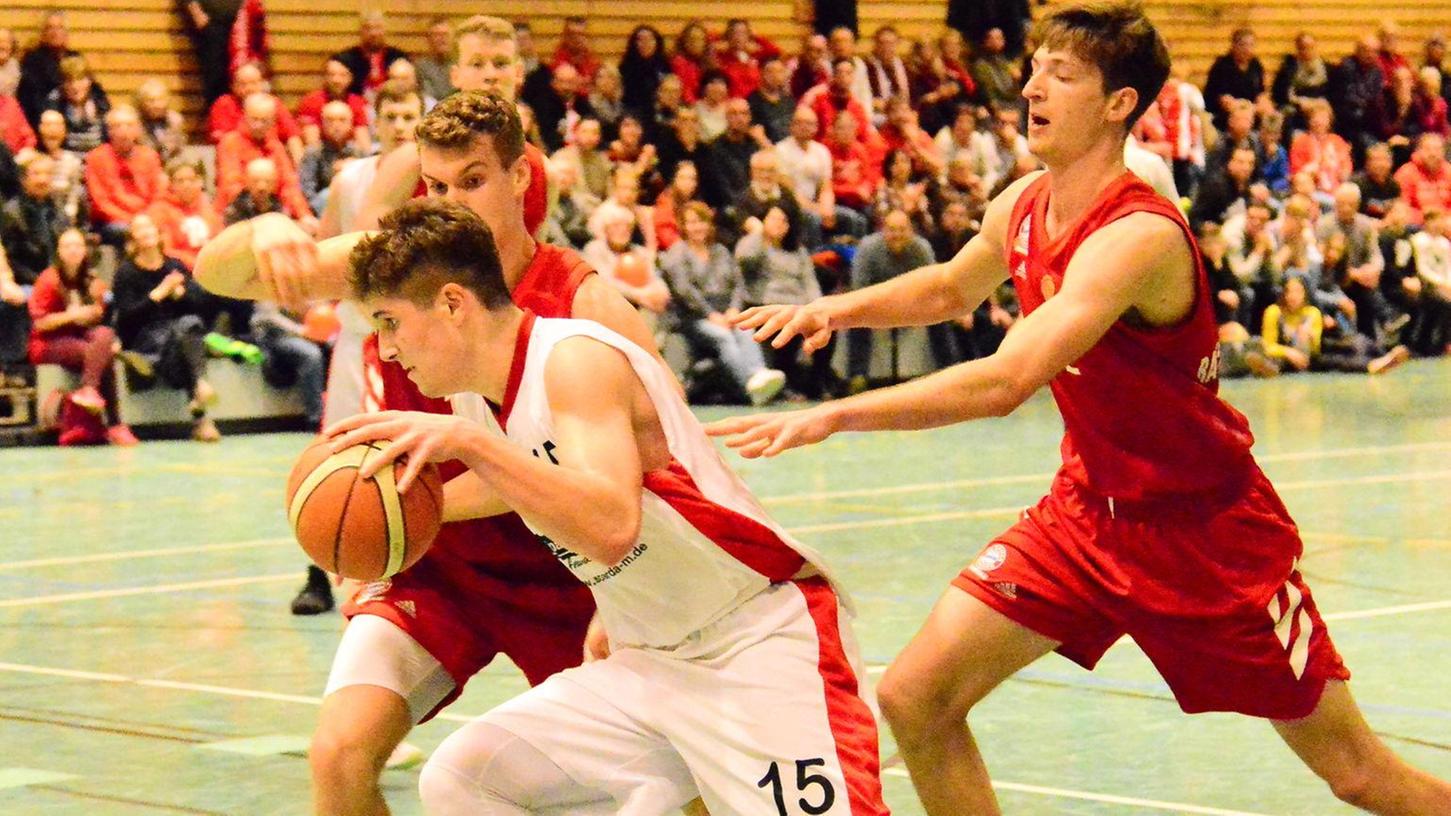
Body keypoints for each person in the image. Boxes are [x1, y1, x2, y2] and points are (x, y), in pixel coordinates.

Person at [708, 4, 1451, 814]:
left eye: (1060, 74)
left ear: (1117, 103)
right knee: (916, 696)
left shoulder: (1136, 235)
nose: (1032, 85)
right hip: (1084, 518)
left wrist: (834, 416)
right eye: (1033, 68)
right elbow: (953, 285)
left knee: (1358, 777)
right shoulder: (1026, 199)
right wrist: (832, 311)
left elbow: (1004, 381)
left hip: (1204, 539)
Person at [194, 90, 674, 816]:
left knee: (682, 779)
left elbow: (657, 458)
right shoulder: (384, 264)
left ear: (520, 178)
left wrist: (415, 506)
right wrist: (259, 229)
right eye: (437, 185)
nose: (452, 202)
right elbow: (215, 272)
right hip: (441, 566)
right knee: (338, 756)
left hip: (569, 575)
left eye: (472, 181)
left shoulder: (585, 304)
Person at [325, 197, 888, 815]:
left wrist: (474, 447)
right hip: (648, 663)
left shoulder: (574, 359)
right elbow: (523, 478)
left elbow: (613, 525)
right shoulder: (477, 398)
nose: (385, 347)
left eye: (390, 321)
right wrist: (400, 512)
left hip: (753, 643)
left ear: (453, 303)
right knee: (463, 777)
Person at [111, 216, 221, 442]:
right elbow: (126, 319)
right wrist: (158, 294)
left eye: (149, 226)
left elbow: (200, 307)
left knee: (189, 326)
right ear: (132, 240)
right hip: (146, 337)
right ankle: (201, 413)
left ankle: (199, 386)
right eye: (139, 229)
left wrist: (182, 296)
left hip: (179, 336)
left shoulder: (175, 266)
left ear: (159, 233)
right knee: (189, 337)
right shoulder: (126, 273)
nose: (146, 232)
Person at [26, 227, 136, 446]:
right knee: (98, 356)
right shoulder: (48, 279)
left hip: (80, 337)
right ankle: (115, 423)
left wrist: (93, 313)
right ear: (59, 251)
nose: (73, 250)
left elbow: (98, 317)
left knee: (105, 334)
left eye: (78, 245)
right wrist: (72, 315)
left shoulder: (91, 280)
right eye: (67, 246)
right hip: (48, 342)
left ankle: (89, 390)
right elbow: (40, 323)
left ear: (85, 250)